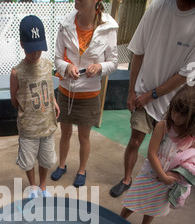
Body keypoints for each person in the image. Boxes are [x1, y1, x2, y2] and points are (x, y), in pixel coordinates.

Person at [110, 0, 195, 198]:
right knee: (135, 140)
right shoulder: (158, 7)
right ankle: (127, 179)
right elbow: (138, 51)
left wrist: (153, 95)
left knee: (167, 152)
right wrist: (132, 91)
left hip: (177, 105)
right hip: (143, 93)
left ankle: (159, 184)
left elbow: (185, 74)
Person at [51, 0, 118, 188]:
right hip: (67, 91)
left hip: (89, 94)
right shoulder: (65, 23)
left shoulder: (108, 27)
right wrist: (67, 66)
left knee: (84, 136)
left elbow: (113, 61)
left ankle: (81, 170)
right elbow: (57, 58)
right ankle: (62, 165)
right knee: (64, 133)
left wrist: (99, 67)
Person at [121, 84, 195, 224]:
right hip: (151, 174)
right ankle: (120, 221)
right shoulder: (163, 126)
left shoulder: (191, 136)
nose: (176, 117)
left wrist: (174, 176)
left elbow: (190, 160)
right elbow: (152, 153)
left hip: (169, 179)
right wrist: (162, 175)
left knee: (153, 206)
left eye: (183, 115)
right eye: (175, 110)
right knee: (134, 200)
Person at [10, 15, 59, 199]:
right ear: (22, 44)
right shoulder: (17, 72)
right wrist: (28, 105)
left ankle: (43, 185)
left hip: (47, 124)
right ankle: (33, 186)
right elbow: (14, 100)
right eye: (31, 49)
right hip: (28, 128)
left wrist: (53, 102)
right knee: (28, 159)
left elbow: (49, 88)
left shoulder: (47, 65)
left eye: (39, 49)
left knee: (46, 158)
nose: (36, 53)